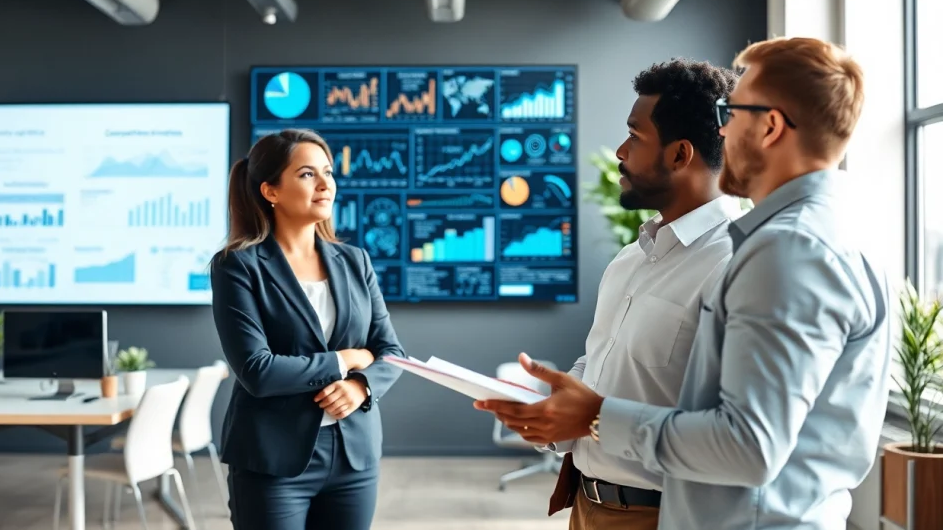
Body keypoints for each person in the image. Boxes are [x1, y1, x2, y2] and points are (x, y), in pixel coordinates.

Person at [476, 37, 891, 530]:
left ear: (771, 126)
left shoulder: (788, 250)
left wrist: (595, 417)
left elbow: (749, 446)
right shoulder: (805, 236)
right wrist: (562, 415)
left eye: (731, 114)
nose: (722, 130)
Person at [546, 58, 741, 530]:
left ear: (680, 155)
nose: (619, 151)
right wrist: (550, 406)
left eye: (634, 136)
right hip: (586, 505)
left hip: (664, 515)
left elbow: (734, 430)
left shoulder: (737, 263)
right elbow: (601, 363)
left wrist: (592, 416)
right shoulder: (631, 258)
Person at [210, 128, 406, 530]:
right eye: (306, 174)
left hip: (354, 457)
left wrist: (360, 386)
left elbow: (392, 352)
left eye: (328, 172)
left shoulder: (355, 261)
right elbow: (258, 372)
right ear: (271, 191)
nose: (325, 184)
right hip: (273, 462)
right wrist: (345, 360)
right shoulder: (237, 266)